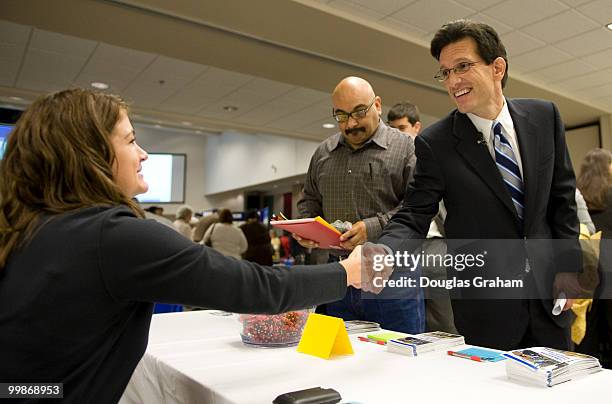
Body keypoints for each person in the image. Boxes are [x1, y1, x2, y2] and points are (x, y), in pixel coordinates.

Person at [0, 89, 364, 403]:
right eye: (130, 141)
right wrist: (346, 272)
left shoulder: (29, 227)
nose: (143, 154)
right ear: (89, 155)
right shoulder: (111, 236)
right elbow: (256, 287)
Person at [377, 20, 581, 351]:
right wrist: (382, 251)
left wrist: (569, 266)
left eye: (463, 66)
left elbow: (563, 200)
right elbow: (415, 212)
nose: (453, 81)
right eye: (445, 72)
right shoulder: (436, 143)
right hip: (488, 307)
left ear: (497, 67)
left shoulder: (545, 117)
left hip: (550, 298)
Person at [296, 76, 424, 334]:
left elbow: (418, 209)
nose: (351, 123)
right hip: (338, 279)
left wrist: (373, 227)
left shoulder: (407, 148)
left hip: (392, 278)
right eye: (341, 116)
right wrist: (308, 229)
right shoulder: (323, 153)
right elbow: (308, 201)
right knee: (341, 361)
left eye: (359, 112)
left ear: (377, 105)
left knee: (401, 364)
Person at [576, 148, 612, 367]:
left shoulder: (578, 194)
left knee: (588, 318)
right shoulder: (611, 193)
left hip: (587, 260)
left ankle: (590, 364)